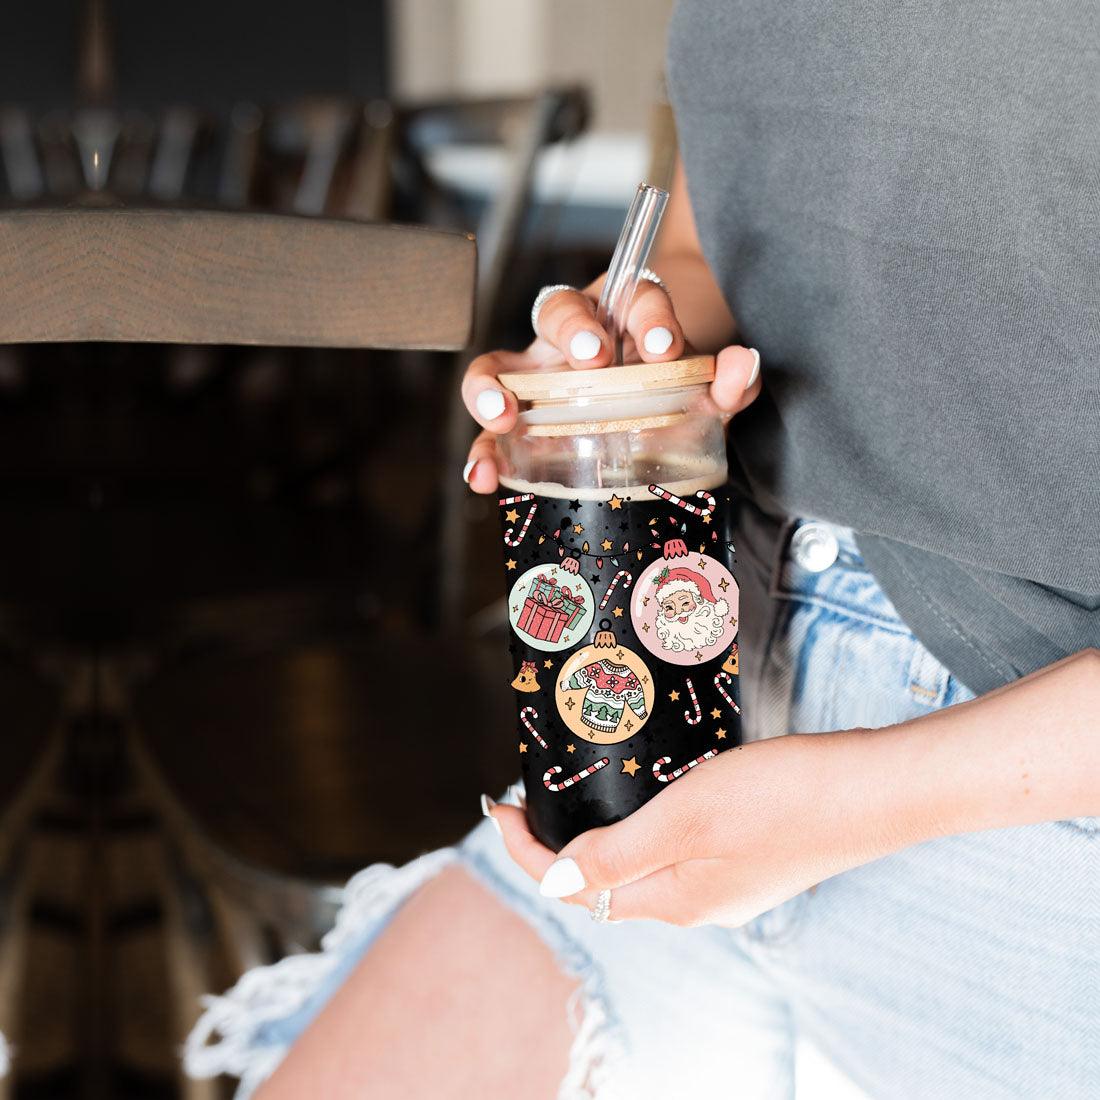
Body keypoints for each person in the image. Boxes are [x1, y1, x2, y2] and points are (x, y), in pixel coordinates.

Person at [186, 3, 1098, 1097]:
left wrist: (855, 801)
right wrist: (627, 360)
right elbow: (706, 248)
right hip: (689, 718)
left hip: (1032, 803)